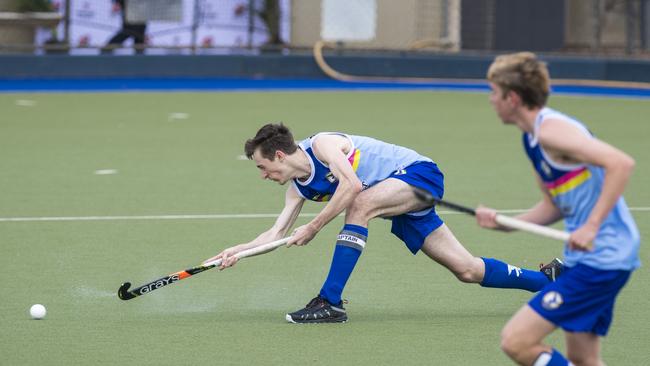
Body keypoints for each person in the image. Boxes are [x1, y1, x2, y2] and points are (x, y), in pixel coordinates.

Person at [204, 123, 562, 324]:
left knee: (358, 204)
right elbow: (275, 233)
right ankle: (549, 282)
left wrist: (313, 228)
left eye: (262, 167)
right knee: (466, 269)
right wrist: (235, 252)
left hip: (417, 176)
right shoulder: (298, 188)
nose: (263, 175)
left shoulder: (324, 146)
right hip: (394, 198)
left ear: (279, 155)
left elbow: (352, 185)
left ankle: (330, 302)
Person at [477, 52, 640, 365]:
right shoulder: (532, 140)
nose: (491, 100)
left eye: (494, 93)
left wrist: (591, 226)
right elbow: (554, 206)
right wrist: (505, 223)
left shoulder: (552, 130)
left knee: (517, 341)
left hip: (603, 257)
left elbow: (621, 164)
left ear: (512, 98)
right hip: (589, 258)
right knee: (584, 358)